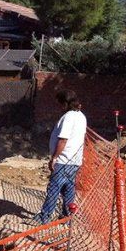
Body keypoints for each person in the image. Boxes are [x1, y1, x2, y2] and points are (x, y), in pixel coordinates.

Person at [36, 90, 87, 223]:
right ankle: (67, 216)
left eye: (60, 103)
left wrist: (55, 157)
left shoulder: (68, 117)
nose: (58, 106)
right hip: (75, 161)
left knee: (54, 188)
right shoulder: (81, 116)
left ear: (65, 103)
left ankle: (44, 217)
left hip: (64, 160)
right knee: (68, 188)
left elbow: (63, 140)